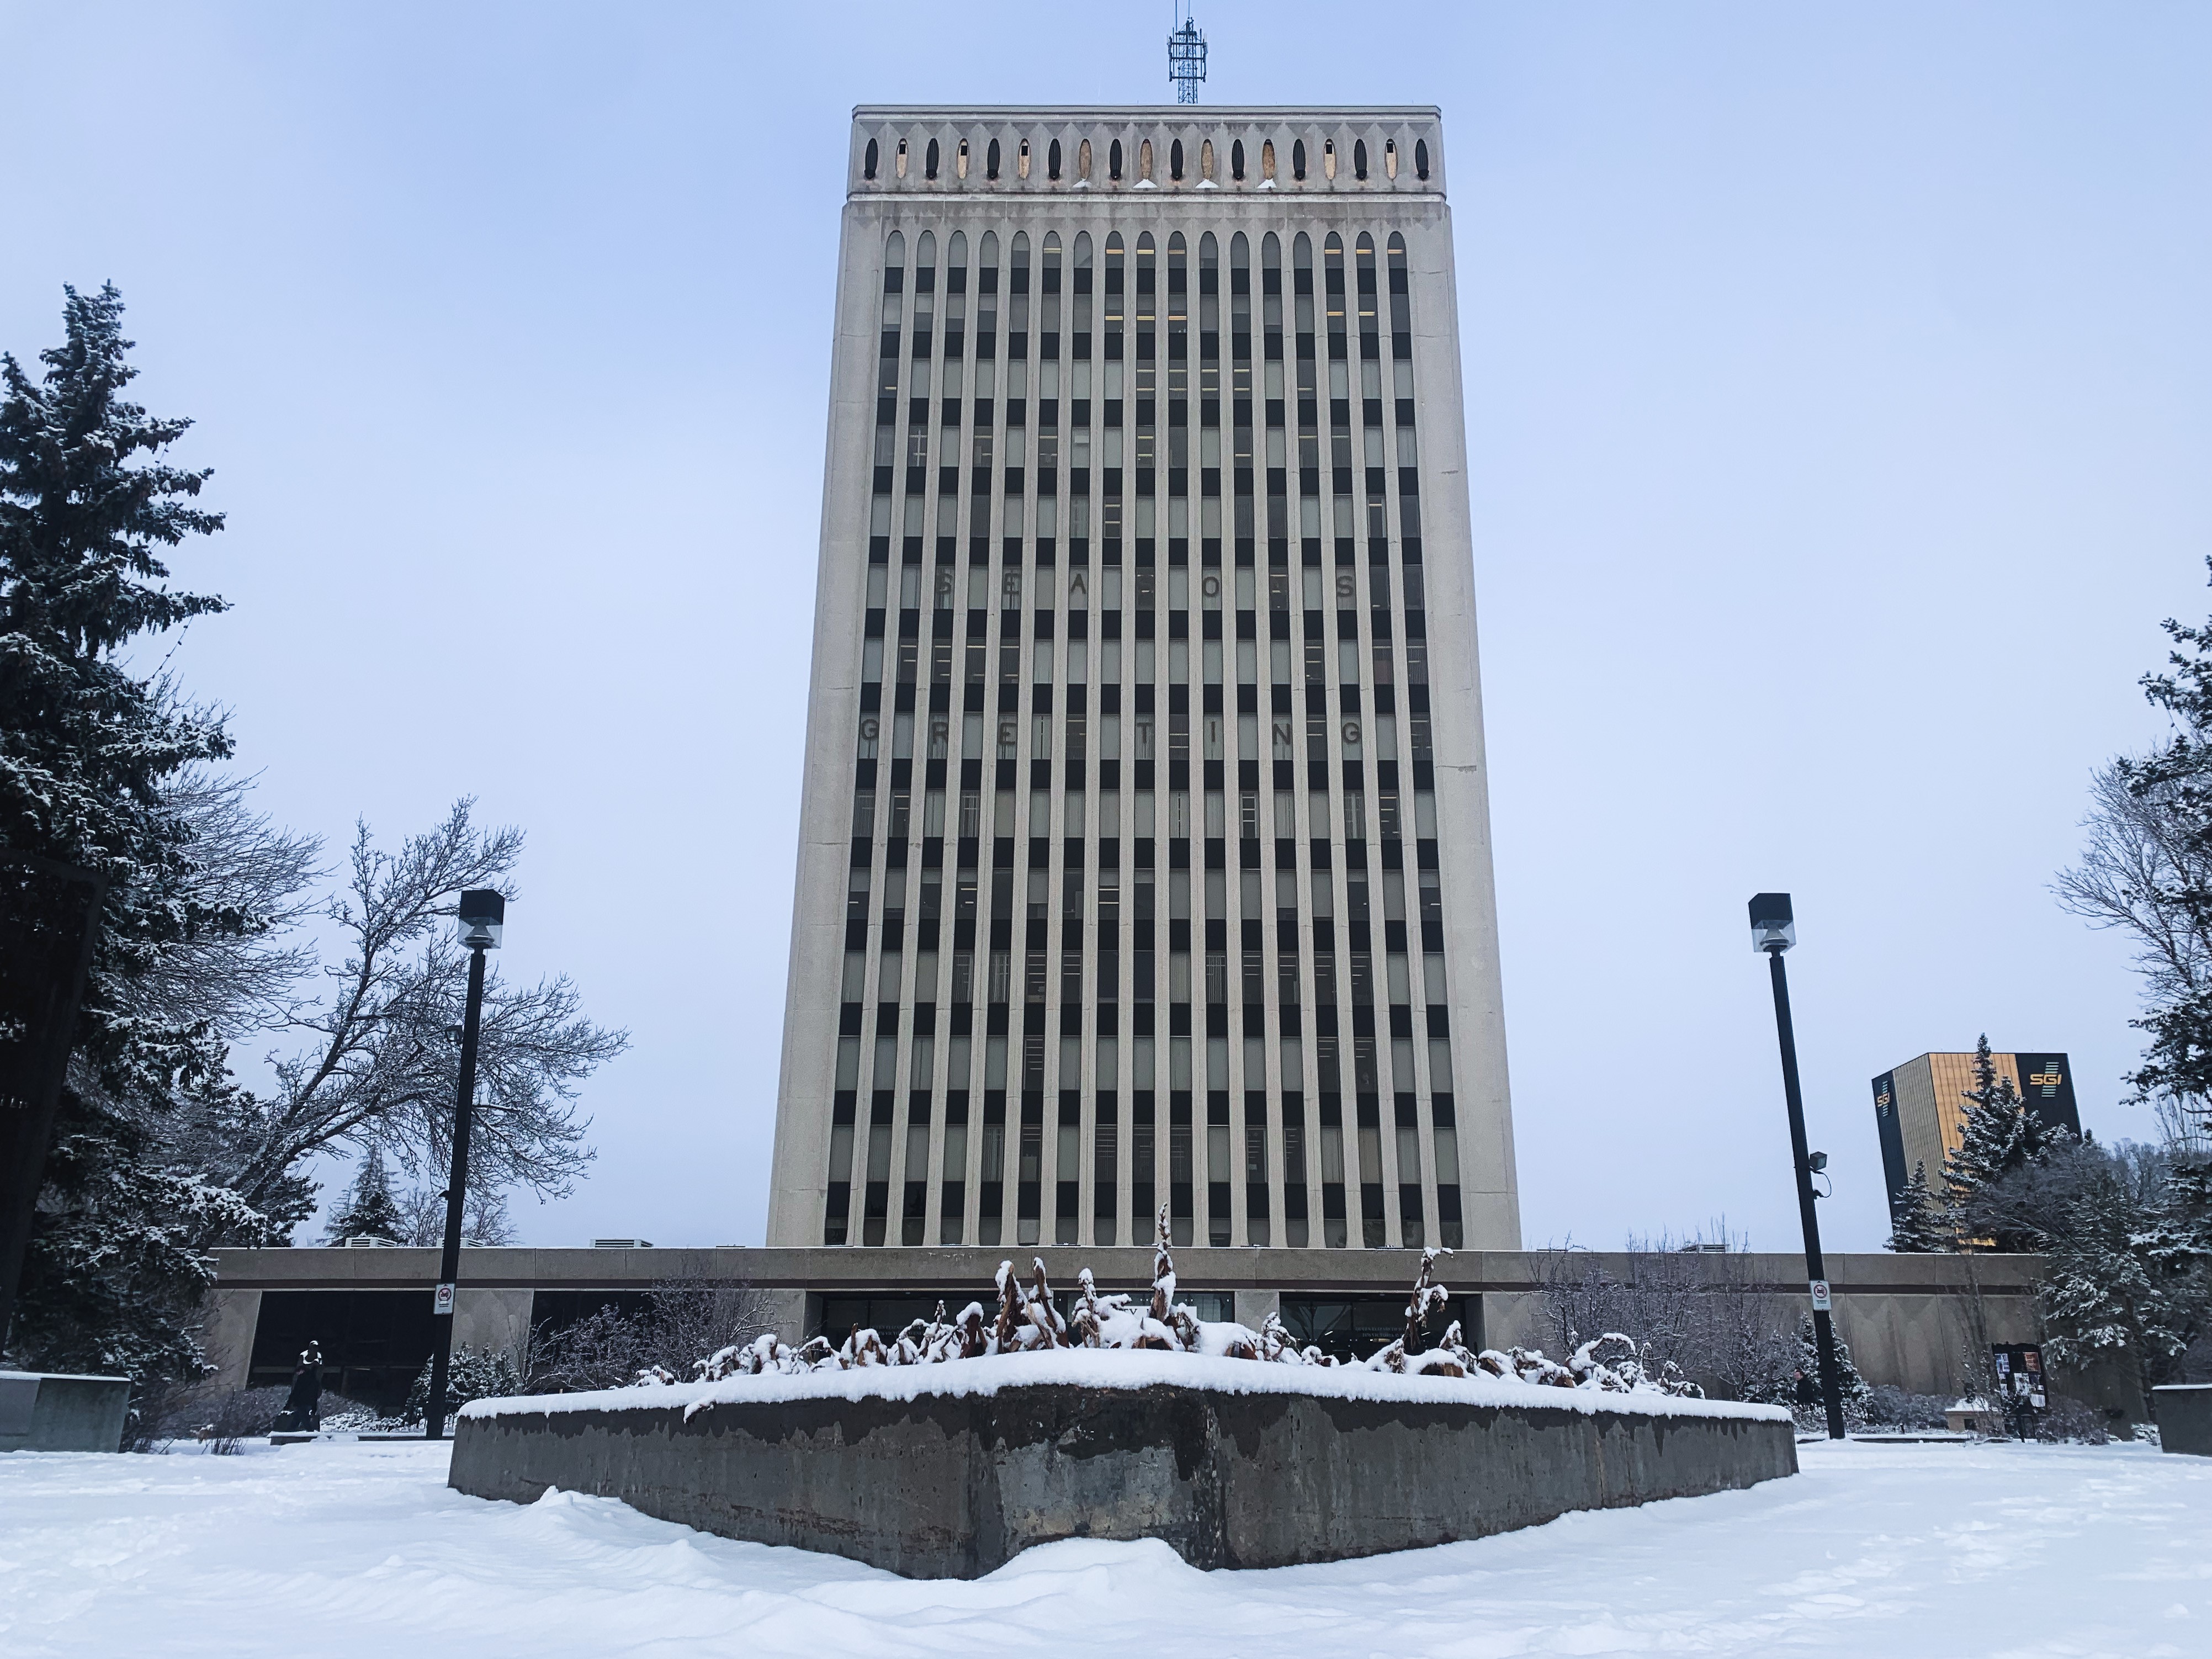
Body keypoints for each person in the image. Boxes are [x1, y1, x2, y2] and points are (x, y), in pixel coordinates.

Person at [277, 1341, 324, 1433]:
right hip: (307, 1401)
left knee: (304, 1419)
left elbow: (296, 1391)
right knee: (297, 1418)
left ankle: (311, 1435)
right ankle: (289, 1433)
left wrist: (289, 1404)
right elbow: (313, 1393)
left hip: (302, 1401)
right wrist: (314, 1407)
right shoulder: (312, 1378)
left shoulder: (303, 1379)